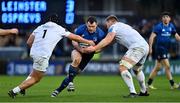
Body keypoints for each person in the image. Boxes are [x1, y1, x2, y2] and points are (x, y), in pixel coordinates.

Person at [8, 14, 95, 99]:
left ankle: (24, 87)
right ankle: (15, 90)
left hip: (34, 53)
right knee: (36, 78)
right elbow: (76, 38)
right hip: (42, 55)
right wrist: (88, 41)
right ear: (57, 22)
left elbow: (29, 42)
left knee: (34, 73)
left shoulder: (40, 27)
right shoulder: (59, 28)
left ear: (49, 20)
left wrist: (36, 51)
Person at [84, 15, 149, 98]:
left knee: (122, 67)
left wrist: (93, 48)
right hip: (145, 46)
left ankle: (133, 93)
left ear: (110, 21)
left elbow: (107, 40)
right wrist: (94, 51)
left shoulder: (114, 26)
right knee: (137, 69)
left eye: (106, 24)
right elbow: (108, 44)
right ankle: (144, 91)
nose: (106, 27)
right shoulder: (124, 26)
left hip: (137, 47)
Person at [51, 16, 105, 97]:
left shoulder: (100, 34)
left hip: (89, 55)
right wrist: (81, 49)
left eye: (93, 26)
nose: (91, 28)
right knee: (76, 60)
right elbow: (74, 41)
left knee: (73, 74)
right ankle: (71, 83)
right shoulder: (80, 29)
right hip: (78, 50)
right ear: (86, 24)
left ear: (96, 25)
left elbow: (101, 48)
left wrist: (93, 50)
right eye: (89, 26)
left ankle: (58, 90)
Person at [147, 12, 180, 89]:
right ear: (162, 19)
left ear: (169, 19)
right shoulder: (159, 27)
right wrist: (150, 48)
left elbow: (176, 36)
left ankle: (148, 84)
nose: (165, 18)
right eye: (164, 17)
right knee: (167, 66)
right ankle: (172, 84)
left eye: (167, 16)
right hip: (159, 49)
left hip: (165, 49)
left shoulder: (171, 26)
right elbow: (151, 37)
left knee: (157, 68)